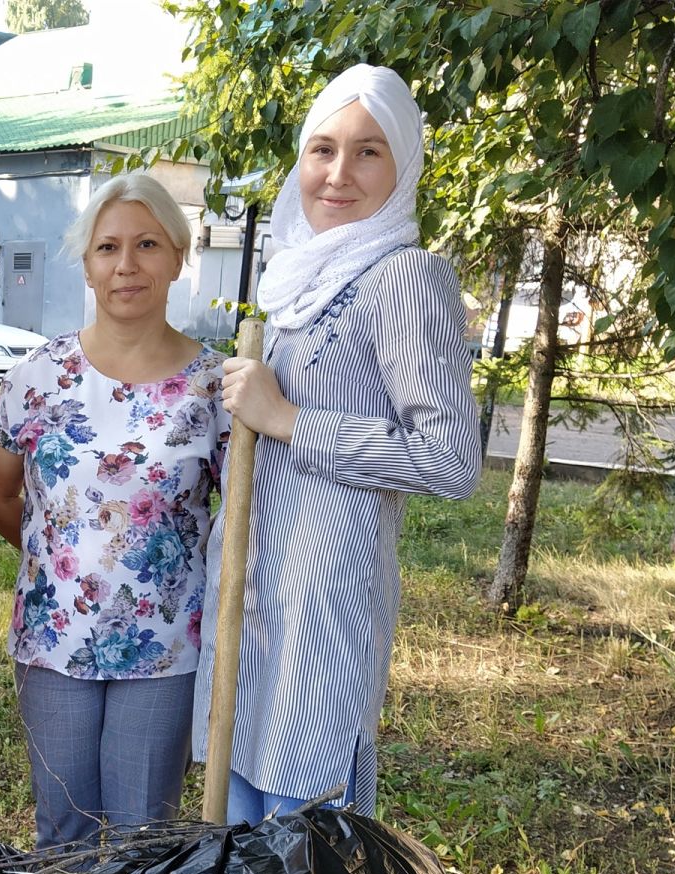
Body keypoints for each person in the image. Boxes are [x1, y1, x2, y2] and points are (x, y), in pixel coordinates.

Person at [197, 63, 481, 823]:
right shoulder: (297, 280)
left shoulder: (405, 276)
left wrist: (288, 419)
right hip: (255, 597)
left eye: (368, 151)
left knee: (305, 858)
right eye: (322, 149)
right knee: (236, 854)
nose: (338, 173)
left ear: (405, 164)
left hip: (321, 616)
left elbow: (451, 461)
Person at [0, 173, 228, 848]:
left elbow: (245, 515)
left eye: (147, 244)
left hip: (166, 645)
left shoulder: (216, 386)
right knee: (63, 832)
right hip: (54, 640)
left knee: (143, 834)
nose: (127, 265)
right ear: (87, 264)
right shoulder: (40, 375)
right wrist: (55, 555)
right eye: (108, 247)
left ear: (178, 255)